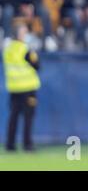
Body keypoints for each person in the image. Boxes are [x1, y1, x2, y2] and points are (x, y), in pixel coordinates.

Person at [3, 23, 40, 152]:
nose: (26, 35)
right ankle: (27, 144)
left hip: (14, 87)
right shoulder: (25, 49)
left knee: (13, 117)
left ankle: (10, 144)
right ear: (19, 34)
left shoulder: (8, 48)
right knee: (28, 117)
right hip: (28, 87)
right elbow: (37, 65)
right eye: (24, 32)